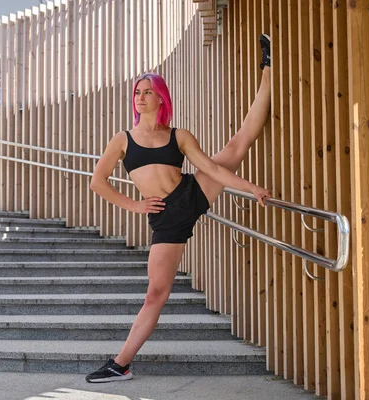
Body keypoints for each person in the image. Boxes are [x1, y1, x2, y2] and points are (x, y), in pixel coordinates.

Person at [85, 34, 272, 383]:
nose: (140, 98)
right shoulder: (122, 139)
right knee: (157, 292)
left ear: (161, 97)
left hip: (190, 193)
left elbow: (215, 170)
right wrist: (136, 205)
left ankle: (268, 72)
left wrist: (252, 188)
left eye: (147, 92)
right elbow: (98, 182)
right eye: (137, 93)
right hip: (165, 218)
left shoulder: (178, 135)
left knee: (238, 143)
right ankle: (120, 364)